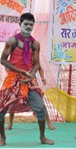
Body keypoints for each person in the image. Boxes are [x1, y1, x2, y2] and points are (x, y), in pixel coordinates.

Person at [0, 13, 54, 145]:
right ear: (20, 25)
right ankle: (2, 138)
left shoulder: (35, 44)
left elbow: (36, 63)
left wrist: (30, 73)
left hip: (28, 79)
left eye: (31, 24)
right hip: (13, 78)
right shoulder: (12, 41)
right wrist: (20, 71)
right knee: (1, 109)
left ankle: (42, 137)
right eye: (26, 24)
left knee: (40, 108)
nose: (28, 26)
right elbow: (2, 60)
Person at [5, 66, 56, 130]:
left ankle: (49, 123)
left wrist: (42, 77)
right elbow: (7, 65)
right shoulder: (15, 58)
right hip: (18, 81)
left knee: (40, 103)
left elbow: (39, 67)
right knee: (13, 101)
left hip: (31, 82)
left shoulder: (33, 57)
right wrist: (11, 75)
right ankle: (10, 123)